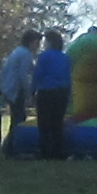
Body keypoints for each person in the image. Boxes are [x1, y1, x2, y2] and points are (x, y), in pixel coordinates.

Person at [31, 30, 74, 159]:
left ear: (49, 42)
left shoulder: (44, 56)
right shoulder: (65, 58)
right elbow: (68, 77)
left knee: (44, 123)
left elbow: (38, 74)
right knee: (57, 122)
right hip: (62, 92)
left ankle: (44, 151)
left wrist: (32, 91)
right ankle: (57, 151)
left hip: (46, 91)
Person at [0, 32, 37, 139]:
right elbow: (23, 75)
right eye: (37, 42)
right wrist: (29, 92)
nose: (38, 46)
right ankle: (13, 144)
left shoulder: (17, 51)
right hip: (16, 90)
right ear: (31, 42)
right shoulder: (26, 54)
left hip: (9, 88)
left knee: (16, 117)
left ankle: (9, 144)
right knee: (19, 118)